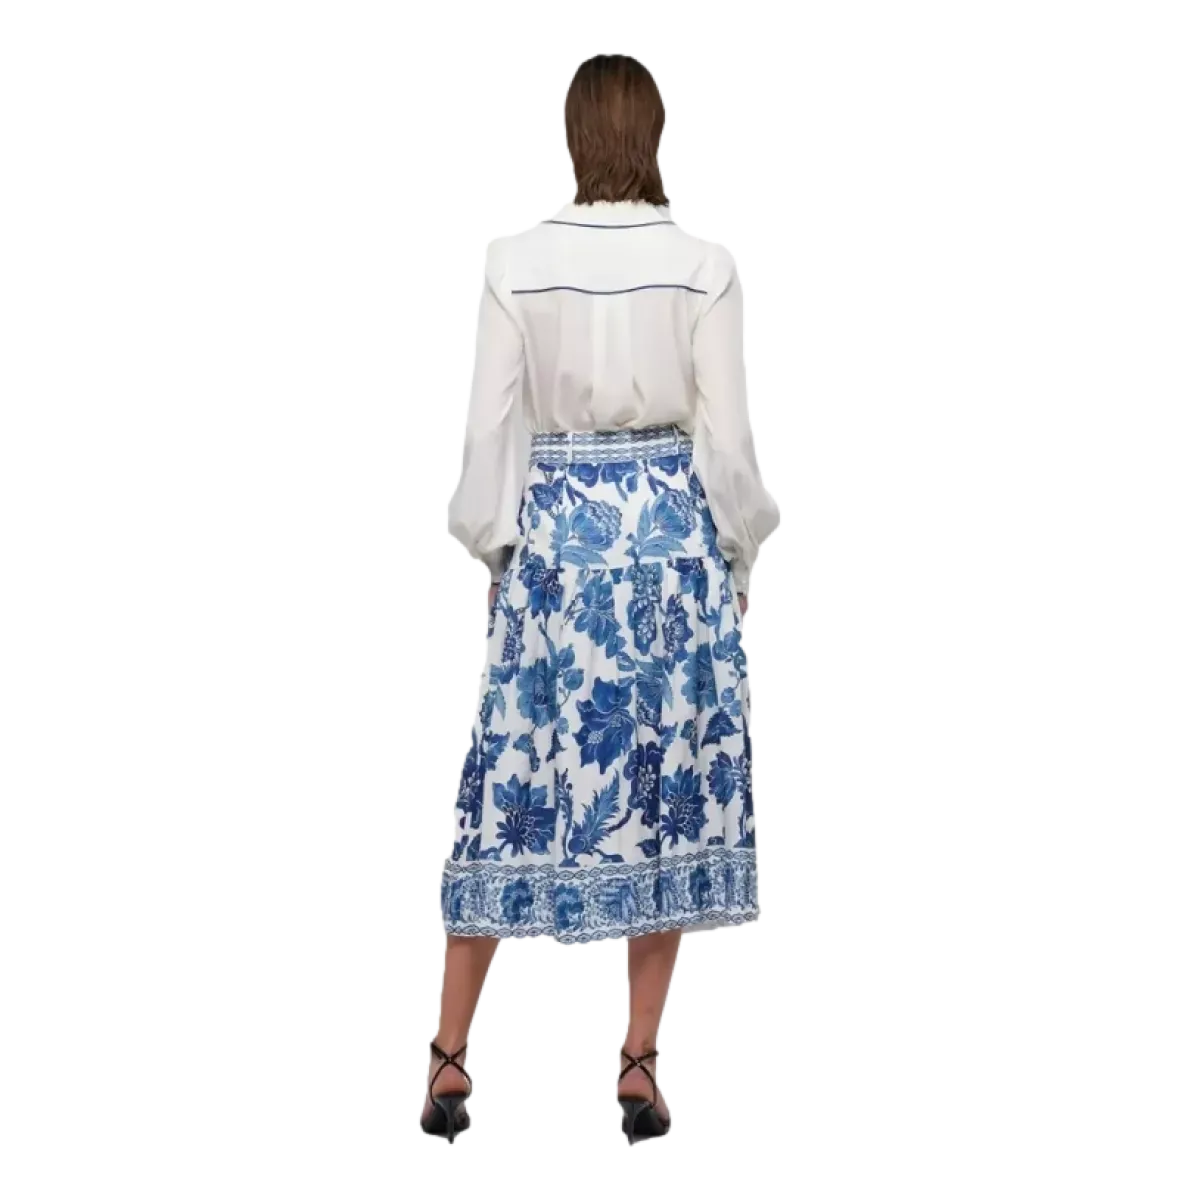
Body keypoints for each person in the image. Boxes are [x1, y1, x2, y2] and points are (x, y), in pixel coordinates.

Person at [423, 47, 782, 1147]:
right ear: (653, 133)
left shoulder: (513, 259)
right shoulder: (705, 263)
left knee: (504, 792)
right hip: (670, 545)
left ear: (575, 135)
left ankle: (446, 1069)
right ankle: (636, 1072)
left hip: (556, 545)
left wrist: (499, 551)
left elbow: (489, 432)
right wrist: (740, 555)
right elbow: (729, 444)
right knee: (663, 799)